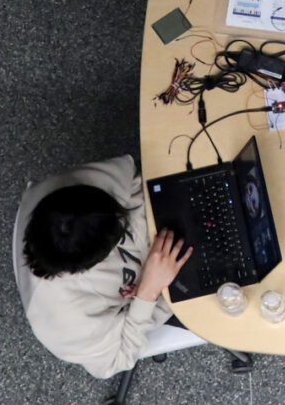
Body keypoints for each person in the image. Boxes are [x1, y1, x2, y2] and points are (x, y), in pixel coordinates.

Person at [14, 155, 191, 379]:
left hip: (160, 249)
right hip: (152, 300)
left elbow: (133, 182)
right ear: (96, 260)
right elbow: (118, 360)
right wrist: (147, 293)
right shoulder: (66, 324)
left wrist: (156, 249)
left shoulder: (75, 191)